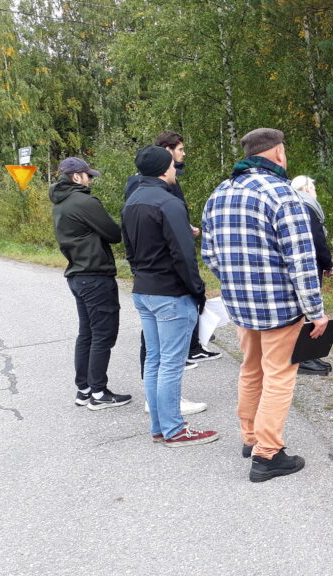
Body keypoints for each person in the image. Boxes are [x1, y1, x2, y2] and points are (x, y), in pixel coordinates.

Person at [202, 128, 329, 482]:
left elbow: (210, 255)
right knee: (278, 377)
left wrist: (236, 285)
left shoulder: (220, 193)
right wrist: (316, 312)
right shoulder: (283, 195)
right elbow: (302, 262)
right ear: (277, 153)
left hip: (240, 306)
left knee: (251, 369)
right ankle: (267, 454)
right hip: (279, 308)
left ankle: (250, 436)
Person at [122, 146, 217, 447]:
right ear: (165, 169)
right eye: (174, 166)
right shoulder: (169, 202)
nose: (177, 171)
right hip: (170, 293)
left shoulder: (132, 201)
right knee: (172, 363)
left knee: (155, 360)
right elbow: (183, 254)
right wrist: (198, 291)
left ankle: (159, 426)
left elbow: (129, 250)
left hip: (143, 289)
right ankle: (175, 429)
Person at [49, 157, 132, 410]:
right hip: (95, 275)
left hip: (77, 274)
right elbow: (113, 234)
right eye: (88, 175)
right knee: (103, 334)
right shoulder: (84, 201)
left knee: (87, 333)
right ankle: (98, 392)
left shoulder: (60, 203)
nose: (91, 179)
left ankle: (83, 389)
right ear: (76, 177)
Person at [291, 174, 333, 375]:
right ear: (307, 189)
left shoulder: (290, 205)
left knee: (301, 312)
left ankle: (305, 356)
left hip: (292, 268)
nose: (315, 193)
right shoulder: (307, 207)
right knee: (310, 311)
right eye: (314, 189)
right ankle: (306, 357)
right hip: (309, 268)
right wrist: (328, 263)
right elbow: (318, 240)